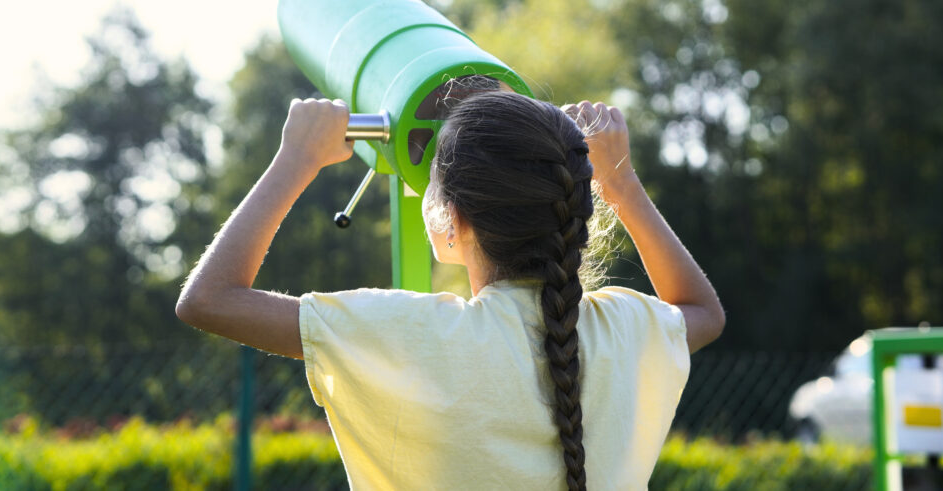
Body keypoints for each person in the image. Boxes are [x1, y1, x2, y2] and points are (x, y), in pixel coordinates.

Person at [176, 91, 725, 490]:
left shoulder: (409, 335)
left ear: (452, 219)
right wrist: (623, 182)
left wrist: (295, 158)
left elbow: (208, 299)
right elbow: (703, 311)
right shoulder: (623, 331)